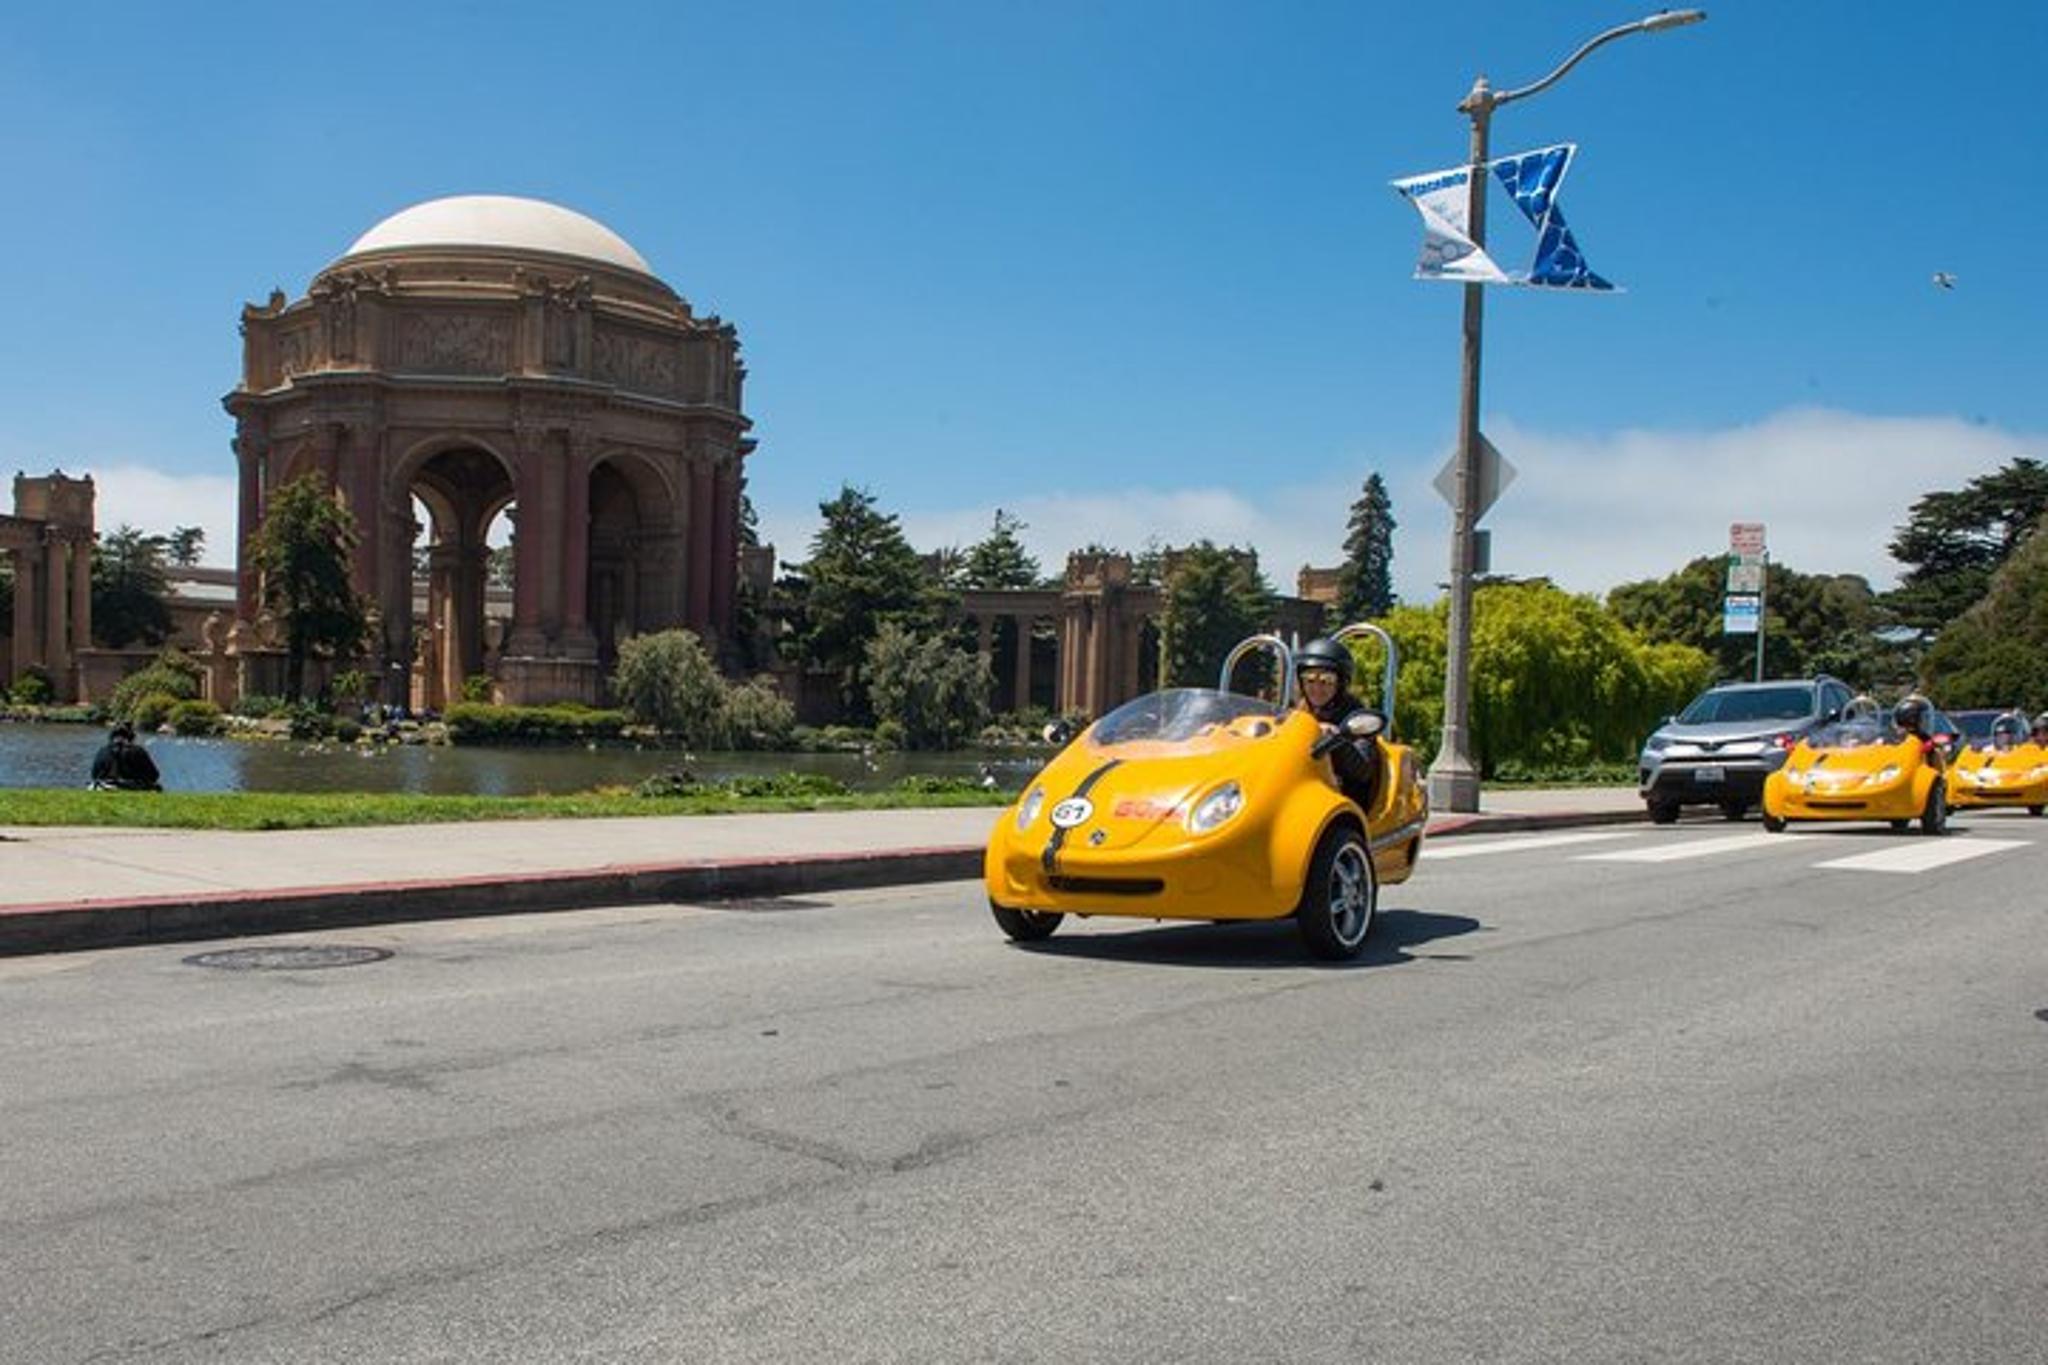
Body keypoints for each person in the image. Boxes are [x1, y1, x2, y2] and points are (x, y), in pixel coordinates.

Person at [1294, 637, 1381, 810]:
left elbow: (1362, 771)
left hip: (1343, 803)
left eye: (1326, 680)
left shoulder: (1357, 717)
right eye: (1309, 679)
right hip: (1302, 792)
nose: (1317, 687)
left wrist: (1337, 739)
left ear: (1340, 682)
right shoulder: (1297, 712)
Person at [89, 722, 163, 792]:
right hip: (130, 786)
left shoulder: (103, 751)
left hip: (104, 785)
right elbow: (154, 775)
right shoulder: (138, 751)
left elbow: (94, 775)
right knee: (157, 787)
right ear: (131, 737)